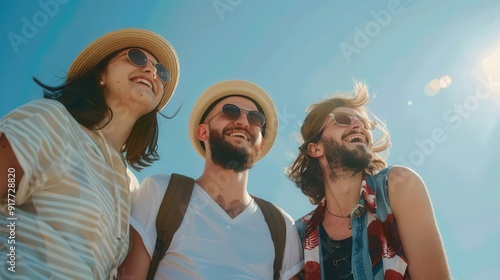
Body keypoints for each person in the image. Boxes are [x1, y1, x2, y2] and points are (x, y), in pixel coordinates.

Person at [0, 28, 180, 279]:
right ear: (101, 75)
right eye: (137, 57)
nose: (152, 71)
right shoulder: (52, 119)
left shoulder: (130, 186)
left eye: (161, 72)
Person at [118, 80, 303, 279]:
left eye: (255, 118)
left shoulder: (282, 226)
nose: (243, 121)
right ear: (203, 132)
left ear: (260, 144)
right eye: (230, 111)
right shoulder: (161, 192)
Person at [287, 81, 451, 279]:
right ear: (315, 148)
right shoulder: (298, 235)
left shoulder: (399, 187)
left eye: (364, 123)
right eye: (342, 119)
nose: (358, 126)